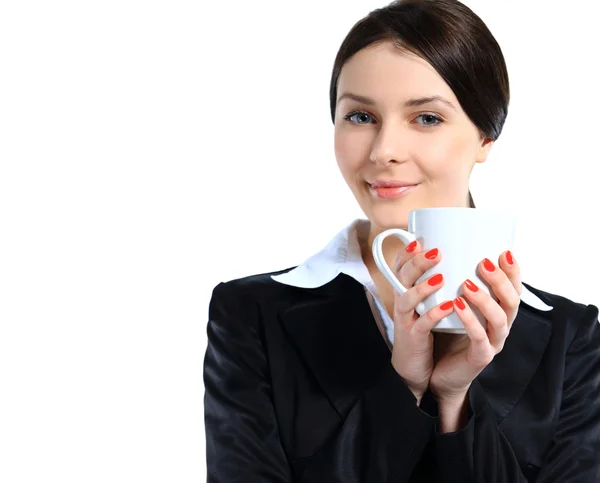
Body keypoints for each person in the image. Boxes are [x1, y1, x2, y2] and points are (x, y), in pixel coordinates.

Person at [203, 0, 600, 481]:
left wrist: (455, 402)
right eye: (360, 116)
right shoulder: (251, 314)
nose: (384, 150)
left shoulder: (570, 337)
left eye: (426, 118)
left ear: (486, 137)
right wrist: (403, 387)